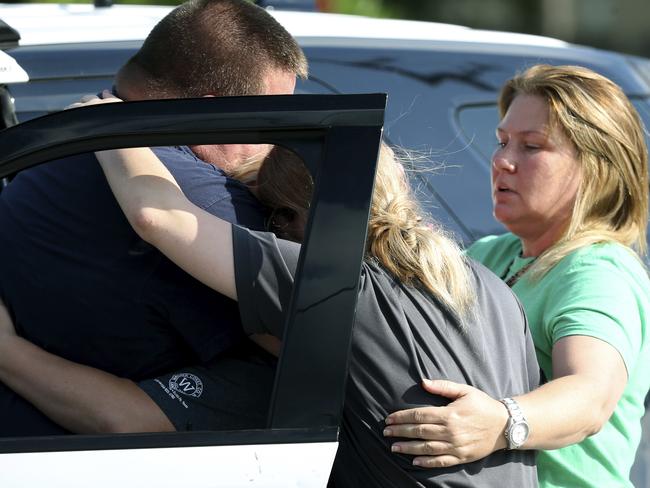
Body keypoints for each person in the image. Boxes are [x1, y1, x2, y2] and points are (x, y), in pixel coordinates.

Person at [10, 90, 540, 485]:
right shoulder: (495, 290)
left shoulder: (330, 284)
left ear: (287, 221)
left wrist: (103, 123)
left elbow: (159, 218)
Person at [0, 0, 307, 437]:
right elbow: (328, 346)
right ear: (212, 112)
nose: (276, 146)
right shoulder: (199, 200)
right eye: (271, 122)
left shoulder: (43, 156)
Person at [383, 64, 650, 488]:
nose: (502, 161)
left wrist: (502, 423)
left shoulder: (599, 270)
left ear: (598, 167)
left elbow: (590, 395)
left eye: (532, 146)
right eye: (502, 141)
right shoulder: (492, 253)